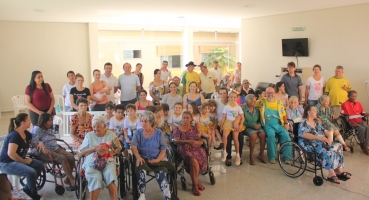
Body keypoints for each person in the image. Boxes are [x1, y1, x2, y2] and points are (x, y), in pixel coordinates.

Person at [298, 105, 351, 184]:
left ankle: (339, 170)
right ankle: (331, 173)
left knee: (338, 146)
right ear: (309, 112)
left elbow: (325, 130)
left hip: (320, 141)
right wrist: (318, 137)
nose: (317, 112)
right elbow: (302, 134)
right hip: (308, 143)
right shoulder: (303, 122)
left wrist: (329, 137)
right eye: (315, 111)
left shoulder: (316, 122)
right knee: (327, 149)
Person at [131, 111, 173, 200]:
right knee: (140, 170)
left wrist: (157, 160)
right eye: (141, 121)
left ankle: (167, 196)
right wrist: (138, 157)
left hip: (158, 159)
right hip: (143, 158)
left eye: (145, 121)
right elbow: (133, 146)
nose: (143, 123)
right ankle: (142, 195)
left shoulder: (159, 133)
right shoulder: (138, 133)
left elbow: (163, 149)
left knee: (161, 173)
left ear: (151, 122)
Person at [0, 113, 43, 200]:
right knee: (31, 172)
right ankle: (33, 194)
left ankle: (27, 189)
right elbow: (11, 154)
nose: (30, 122)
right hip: (7, 163)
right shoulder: (14, 135)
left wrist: (40, 143)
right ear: (23, 122)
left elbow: (34, 140)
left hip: (18, 160)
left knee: (39, 165)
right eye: (29, 120)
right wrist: (24, 161)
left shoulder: (26, 133)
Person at [79, 115, 122, 200]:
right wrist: (94, 148)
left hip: (108, 161)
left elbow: (118, 149)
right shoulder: (89, 135)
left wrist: (109, 151)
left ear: (104, 126)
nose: (95, 129)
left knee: (110, 174)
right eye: (94, 126)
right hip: (92, 162)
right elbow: (82, 152)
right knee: (95, 177)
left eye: (98, 126)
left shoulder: (111, 135)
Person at [30, 113, 76, 191]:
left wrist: (60, 147)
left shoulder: (48, 129)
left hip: (55, 148)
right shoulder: (37, 129)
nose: (51, 122)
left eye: (52, 120)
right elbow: (34, 143)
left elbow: (52, 140)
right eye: (49, 120)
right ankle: (72, 180)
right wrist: (41, 144)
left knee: (71, 157)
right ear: (44, 121)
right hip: (44, 151)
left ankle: (68, 179)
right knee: (63, 159)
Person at [172, 111, 207, 196]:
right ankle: (195, 185)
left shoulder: (194, 129)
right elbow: (175, 140)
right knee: (194, 161)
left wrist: (194, 143)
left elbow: (201, 140)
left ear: (191, 119)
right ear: (182, 118)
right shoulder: (178, 129)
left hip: (196, 148)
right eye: (184, 117)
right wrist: (187, 142)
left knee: (199, 158)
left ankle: (196, 181)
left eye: (187, 118)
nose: (185, 119)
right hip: (184, 149)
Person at [256, 87, 291, 164]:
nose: (270, 94)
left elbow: (284, 114)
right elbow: (251, 103)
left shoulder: (279, 102)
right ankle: (272, 157)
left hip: (278, 124)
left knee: (286, 135)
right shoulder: (261, 102)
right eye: (268, 93)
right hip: (267, 125)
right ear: (265, 93)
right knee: (271, 136)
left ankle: (287, 157)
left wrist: (286, 123)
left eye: (271, 92)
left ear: (274, 93)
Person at [220, 91, 244, 165]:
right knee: (225, 136)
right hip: (228, 123)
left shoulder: (238, 107)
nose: (232, 98)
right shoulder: (226, 107)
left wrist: (240, 126)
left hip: (235, 124)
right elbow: (224, 117)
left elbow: (242, 118)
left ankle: (237, 155)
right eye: (231, 97)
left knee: (236, 138)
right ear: (229, 98)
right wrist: (221, 126)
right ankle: (224, 152)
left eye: (234, 97)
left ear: (237, 98)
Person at [341, 90, 369, 155]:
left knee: (367, 128)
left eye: (355, 96)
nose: (354, 97)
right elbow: (344, 115)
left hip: (360, 120)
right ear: (348, 96)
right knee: (362, 129)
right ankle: (362, 143)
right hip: (352, 121)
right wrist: (349, 123)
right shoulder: (345, 104)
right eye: (352, 96)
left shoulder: (359, 103)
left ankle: (366, 146)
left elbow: (362, 113)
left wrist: (366, 114)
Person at [243, 94, 266, 165]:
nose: (255, 102)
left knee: (263, 134)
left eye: (255, 101)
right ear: (248, 102)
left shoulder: (257, 109)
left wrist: (258, 125)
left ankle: (261, 154)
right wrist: (253, 125)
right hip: (247, 127)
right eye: (253, 101)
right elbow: (243, 121)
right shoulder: (243, 109)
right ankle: (251, 155)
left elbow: (260, 120)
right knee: (253, 135)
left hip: (257, 126)